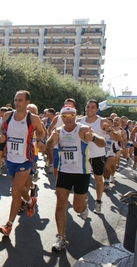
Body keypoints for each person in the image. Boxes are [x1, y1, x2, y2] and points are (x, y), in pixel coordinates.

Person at [47, 105, 105, 251]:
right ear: (61, 118)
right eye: (64, 116)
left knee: (77, 208)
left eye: (70, 116)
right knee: (60, 204)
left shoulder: (83, 129)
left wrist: (94, 138)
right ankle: (61, 238)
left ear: (75, 116)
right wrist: (51, 140)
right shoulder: (58, 131)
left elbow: (103, 143)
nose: (67, 119)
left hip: (81, 173)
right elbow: (48, 147)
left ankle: (84, 207)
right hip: (64, 172)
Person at [0, 90, 46, 237]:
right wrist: (0, 135)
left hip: (25, 159)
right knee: (19, 189)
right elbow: (1, 129)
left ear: (27, 102)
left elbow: (42, 132)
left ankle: (9, 225)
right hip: (11, 158)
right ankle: (31, 200)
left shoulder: (33, 118)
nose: (17, 103)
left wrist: (40, 140)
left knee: (16, 191)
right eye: (15, 100)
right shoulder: (8, 115)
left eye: (20, 100)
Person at [79, 100, 120, 214]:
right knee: (82, 180)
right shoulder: (80, 121)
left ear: (97, 109)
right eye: (88, 107)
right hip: (83, 155)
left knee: (98, 180)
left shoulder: (102, 121)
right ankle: (84, 201)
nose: (89, 109)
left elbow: (116, 138)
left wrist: (109, 129)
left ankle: (98, 201)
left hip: (98, 155)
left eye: (92, 107)